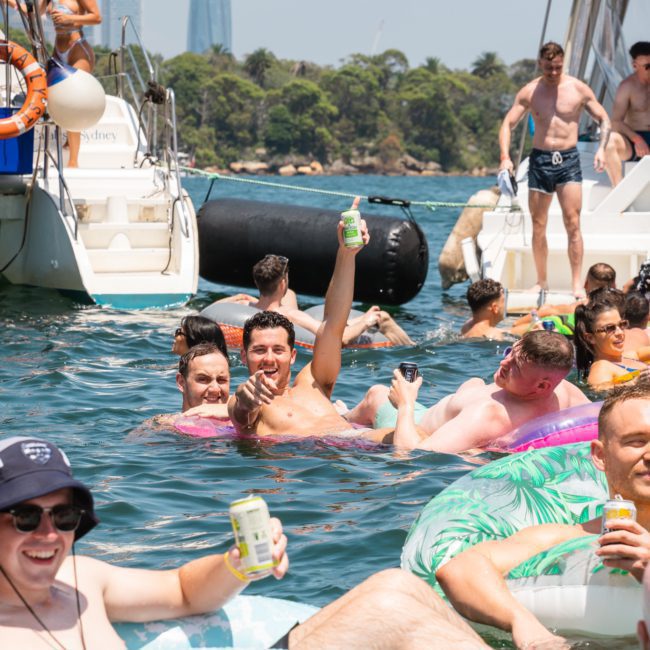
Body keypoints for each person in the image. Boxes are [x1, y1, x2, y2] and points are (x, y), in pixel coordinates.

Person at [0, 435, 488, 649]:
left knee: (397, 586)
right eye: (25, 517)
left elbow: (185, 592)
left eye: (63, 515)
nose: (48, 534)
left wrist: (238, 565)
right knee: (388, 603)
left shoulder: (83, 579)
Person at [436, 381, 650, 649]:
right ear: (600, 455)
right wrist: (523, 623)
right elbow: (458, 570)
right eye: (636, 441)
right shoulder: (564, 536)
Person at [228, 203, 384, 439]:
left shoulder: (314, 382)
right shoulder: (247, 402)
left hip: (358, 449)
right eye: (259, 350)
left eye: (278, 350)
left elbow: (333, 323)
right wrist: (244, 397)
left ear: (292, 355)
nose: (269, 358)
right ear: (243, 355)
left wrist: (346, 253)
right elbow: (241, 411)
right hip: (321, 459)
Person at [349, 331, 589, 452]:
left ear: (542, 386)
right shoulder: (565, 392)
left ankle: (344, 421)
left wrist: (406, 402)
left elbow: (411, 455)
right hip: (441, 414)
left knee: (377, 393)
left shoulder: (487, 415)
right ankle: (346, 416)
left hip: (415, 425)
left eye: (515, 366)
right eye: (509, 353)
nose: (503, 364)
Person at [499, 41, 612, 298]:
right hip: (540, 160)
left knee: (573, 223)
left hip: (569, 160)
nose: (553, 72)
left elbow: (604, 118)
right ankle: (541, 281)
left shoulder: (578, 89)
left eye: (558, 67)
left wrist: (602, 148)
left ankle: (575, 285)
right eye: (548, 67)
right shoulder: (530, 91)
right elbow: (508, 124)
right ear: (540, 64)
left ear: (563, 64)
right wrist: (505, 157)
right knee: (538, 225)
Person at [3, 0, 103, 167]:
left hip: (77, 49)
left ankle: (73, 161)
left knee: (74, 101)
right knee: (54, 95)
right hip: (58, 48)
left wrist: (70, 19)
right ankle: (69, 139)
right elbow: (31, 12)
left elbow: (97, 18)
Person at [250, 253, 414, 346]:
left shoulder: (246, 306)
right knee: (382, 317)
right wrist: (366, 321)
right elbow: (336, 338)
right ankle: (414, 349)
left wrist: (237, 297)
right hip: (334, 344)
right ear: (283, 283)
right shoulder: (291, 315)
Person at [574, 291, 650, 391]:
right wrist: (635, 382)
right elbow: (598, 390)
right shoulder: (601, 367)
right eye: (610, 328)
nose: (620, 333)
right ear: (590, 338)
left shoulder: (628, 357)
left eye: (621, 325)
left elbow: (639, 353)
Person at [512, 262, 616, 328]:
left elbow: (549, 311)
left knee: (546, 307)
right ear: (614, 286)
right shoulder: (618, 308)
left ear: (585, 284)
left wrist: (516, 323)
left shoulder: (577, 307)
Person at [604, 41, 650, 186]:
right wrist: (637, 139)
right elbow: (616, 122)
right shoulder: (627, 87)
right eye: (648, 67)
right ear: (635, 65)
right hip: (636, 139)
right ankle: (618, 195)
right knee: (609, 141)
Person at [176, 342, 230, 417]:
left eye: (221, 380)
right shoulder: (166, 426)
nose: (215, 389)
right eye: (203, 379)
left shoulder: (245, 421)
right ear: (181, 382)